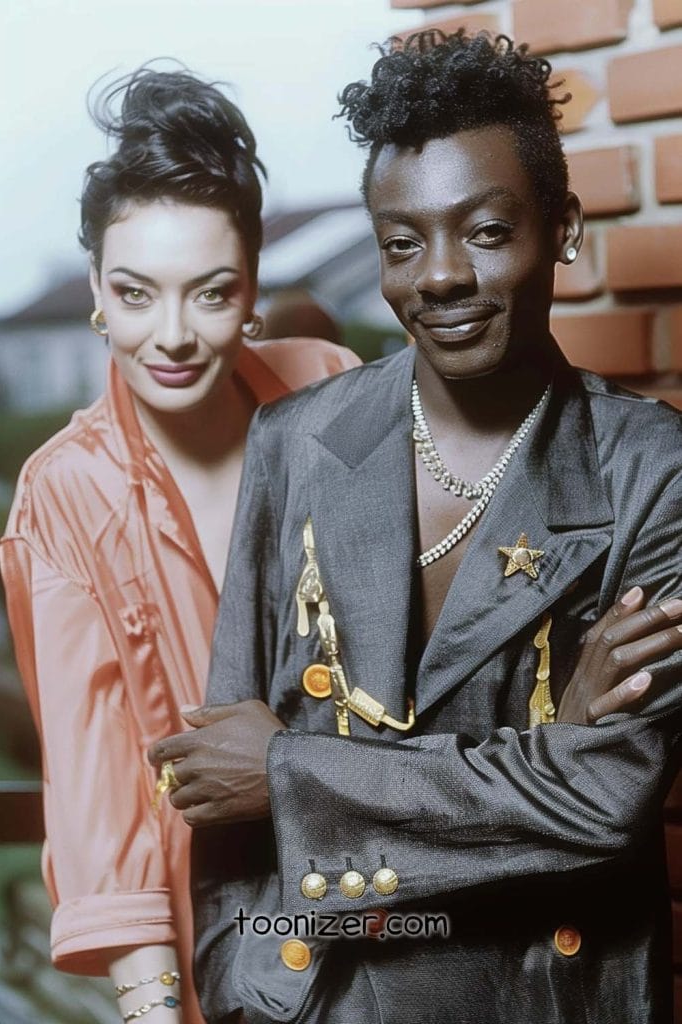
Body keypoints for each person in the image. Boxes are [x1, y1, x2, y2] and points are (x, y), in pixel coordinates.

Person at [151, 31, 682, 1023]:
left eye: (484, 230)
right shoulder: (297, 441)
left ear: (558, 226)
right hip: (314, 994)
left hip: (544, 995)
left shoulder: (652, 472)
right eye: (401, 243)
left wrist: (288, 772)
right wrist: (242, 979)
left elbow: (602, 801)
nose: (435, 276)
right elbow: (219, 782)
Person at [0, 67, 359, 1024]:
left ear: (250, 292)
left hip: (383, 887)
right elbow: (98, 787)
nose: (170, 336)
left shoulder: (330, 391)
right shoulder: (63, 493)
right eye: (135, 292)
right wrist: (156, 1008)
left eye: (209, 294)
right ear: (95, 292)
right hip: (212, 926)